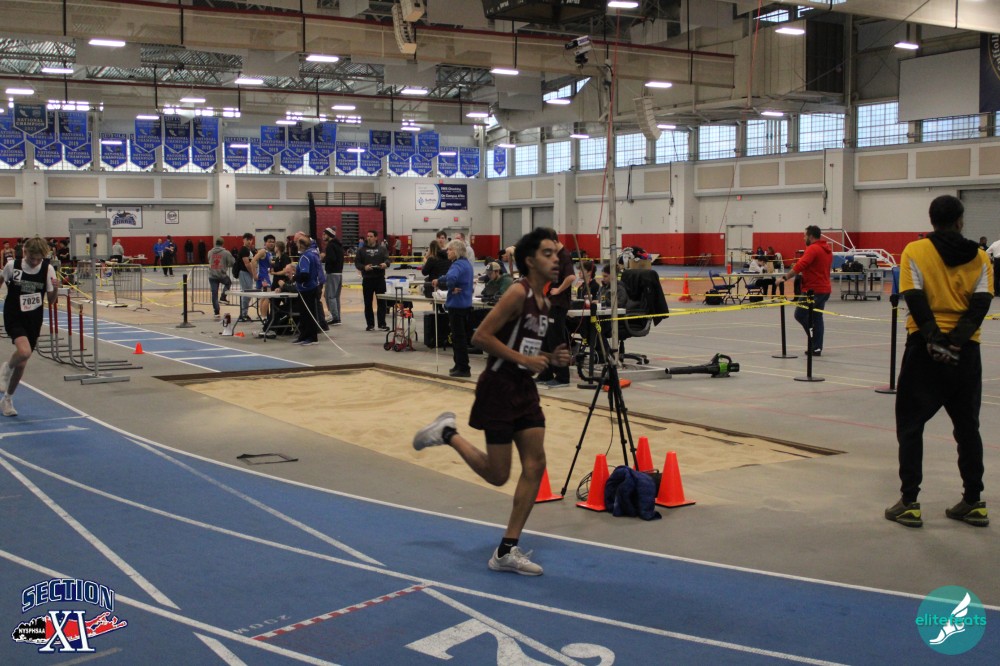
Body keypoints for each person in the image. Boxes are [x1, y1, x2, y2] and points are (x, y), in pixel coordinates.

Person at [412, 228, 570, 576]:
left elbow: (523, 347)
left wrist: (549, 358)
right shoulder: (517, 292)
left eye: (556, 253)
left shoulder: (545, 302)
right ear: (530, 261)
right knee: (499, 476)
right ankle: (448, 433)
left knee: (536, 464)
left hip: (524, 389)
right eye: (547, 253)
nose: (556, 259)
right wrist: (525, 360)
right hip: (498, 387)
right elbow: (481, 336)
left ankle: (506, 550)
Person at [885, 195, 992, 529]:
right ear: (960, 221)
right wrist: (956, 342)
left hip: (924, 350)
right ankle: (973, 502)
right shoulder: (980, 257)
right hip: (966, 353)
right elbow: (981, 304)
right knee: (968, 428)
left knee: (911, 425)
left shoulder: (914, 251)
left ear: (932, 220)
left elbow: (914, 298)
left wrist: (935, 340)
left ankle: (910, 503)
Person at [0, 236, 60, 417]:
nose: (34, 262)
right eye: (32, 258)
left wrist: (56, 288)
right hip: (14, 315)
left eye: (38, 259)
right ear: (25, 252)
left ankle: (7, 399)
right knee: (24, 352)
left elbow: (51, 300)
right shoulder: (12, 266)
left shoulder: (48, 269)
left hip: (33, 319)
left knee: (22, 363)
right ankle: (6, 368)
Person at [776, 225, 832, 356]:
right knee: (817, 317)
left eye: (805, 236)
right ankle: (817, 347)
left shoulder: (812, 249)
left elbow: (800, 265)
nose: (803, 238)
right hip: (824, 290)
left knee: (800, 314)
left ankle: (814, 340)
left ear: (811, 236)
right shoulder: (827, 250)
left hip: (813, 291)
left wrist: (785, 277)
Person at [533, 228, 575, 388]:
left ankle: (562, 377)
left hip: (558, 304)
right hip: (548, 303)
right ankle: (546, 372)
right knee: (545, 339)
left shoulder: (564, 256)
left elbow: (571, 277)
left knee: (556, 340)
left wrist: (558, 290)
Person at [433, 239, 475, 377]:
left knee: (458, 338)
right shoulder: (466, 264)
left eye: (450, 249)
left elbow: (451, 278)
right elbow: (449, 277)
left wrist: (450, 288)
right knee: (460, 337)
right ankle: (459, 364)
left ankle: (463, 368)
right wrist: (440, 280)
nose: (447, 252)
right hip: (466, 305)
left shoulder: (456, 265)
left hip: (456, 305)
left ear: (456, 251)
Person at [355, 230, 389, 331]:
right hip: (367, 279)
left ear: (376, 237)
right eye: (368, 236)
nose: (368, 238)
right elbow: (357, 263)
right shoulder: (361, 250)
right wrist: (364, 267)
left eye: (371, 236)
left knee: (382, 303)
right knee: (368, 303)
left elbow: (387, 260)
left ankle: (382, 324)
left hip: (380, 279)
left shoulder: (382, 249)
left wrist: (385, 264)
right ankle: (370, 325)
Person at [206, 237, 234, 320]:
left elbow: (209, 260)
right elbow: (232, 262)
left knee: (214, 294)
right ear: (222, 244)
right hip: (221, 274)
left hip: (212, 275)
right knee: (228, 282)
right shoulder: (226, 253)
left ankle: (216, 312)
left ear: (215, 243)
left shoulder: (210, 252)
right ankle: (223, 297)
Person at [322, 227, 344, 325]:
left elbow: (332, 259)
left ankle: (334, 317)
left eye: (324, 234)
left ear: (329, 235)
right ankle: (337, 317)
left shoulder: (330, 246)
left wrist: (324, 258)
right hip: (339, 273)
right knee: (335, 296)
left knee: (330, 296)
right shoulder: (338, 245)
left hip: (332, 273)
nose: (323, 236)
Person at [253, 234, 276, 321]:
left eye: (273, 242)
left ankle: (263, 316)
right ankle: (264, 317)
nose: (271, 243)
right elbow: (253, 260)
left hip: (265, 276)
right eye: (269, 242)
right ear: (265, 243)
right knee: (267, 297)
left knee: (264, 297)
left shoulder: (269, 253)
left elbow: (269, 263)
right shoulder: (263, 251)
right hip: (263, 277)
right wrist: (254, 274)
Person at [236, 232, 256, 323]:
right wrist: (253, 273)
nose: (249, 241)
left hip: (247, 273)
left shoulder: (248, 250)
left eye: (250, 240)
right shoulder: (244, 250)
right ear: (243, 240)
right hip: (244, 273)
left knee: (247, 293)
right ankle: (243, 314)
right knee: (247, 293)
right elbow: (247, 264)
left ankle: (244, 313)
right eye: (247, 240)